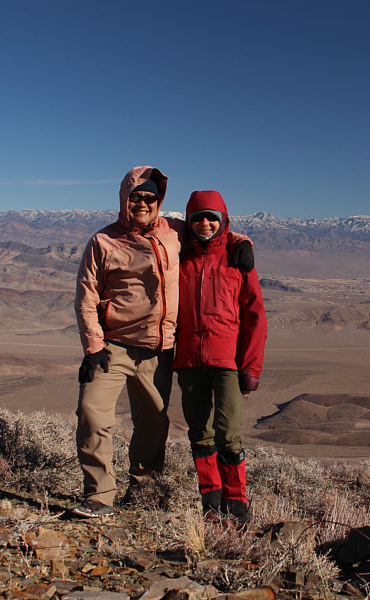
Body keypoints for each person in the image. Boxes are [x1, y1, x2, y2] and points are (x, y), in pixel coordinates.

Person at [72, 167, 254, 519]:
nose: (142, 204)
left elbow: (211, 229)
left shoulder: (172, 230)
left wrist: (241, 241)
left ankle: (143, 491)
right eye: (136, 197)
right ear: (124, 199)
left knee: (153, 426)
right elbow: (86, 295)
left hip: (158, 349)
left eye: (150, 198)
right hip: (112, 345)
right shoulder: (103, 241)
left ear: (159, 201)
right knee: (92, 415)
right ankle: (99, 495)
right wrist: (92, 346)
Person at [173, 190, 267, 525]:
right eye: (198, 217)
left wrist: (251, 366)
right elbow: (156, 224)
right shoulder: (179, 254)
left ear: (223, 221)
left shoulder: (237, 257)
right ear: (188, 221)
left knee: (229, 434)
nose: (205, 223)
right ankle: (211, 506)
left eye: (212, 217)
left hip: (227, 361)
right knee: (200, 434)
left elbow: (255, 314)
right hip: (188, 360)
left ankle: (236, 506)